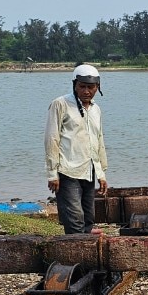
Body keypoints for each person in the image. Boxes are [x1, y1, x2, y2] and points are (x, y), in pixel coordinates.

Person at [45, 64, 108, 234]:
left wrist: (101, 173)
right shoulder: (60, 104)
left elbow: (98, 140)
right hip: (67, 171)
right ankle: (74, 254)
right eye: (82, 87)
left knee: (89, 218)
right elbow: (52, 139)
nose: (86, 91)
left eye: (91, 87)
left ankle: (85, 254)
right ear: (75, 85)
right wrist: (52, 174)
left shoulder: (96, 109)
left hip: (89, 170)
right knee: (74, 219)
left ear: (98, 87)